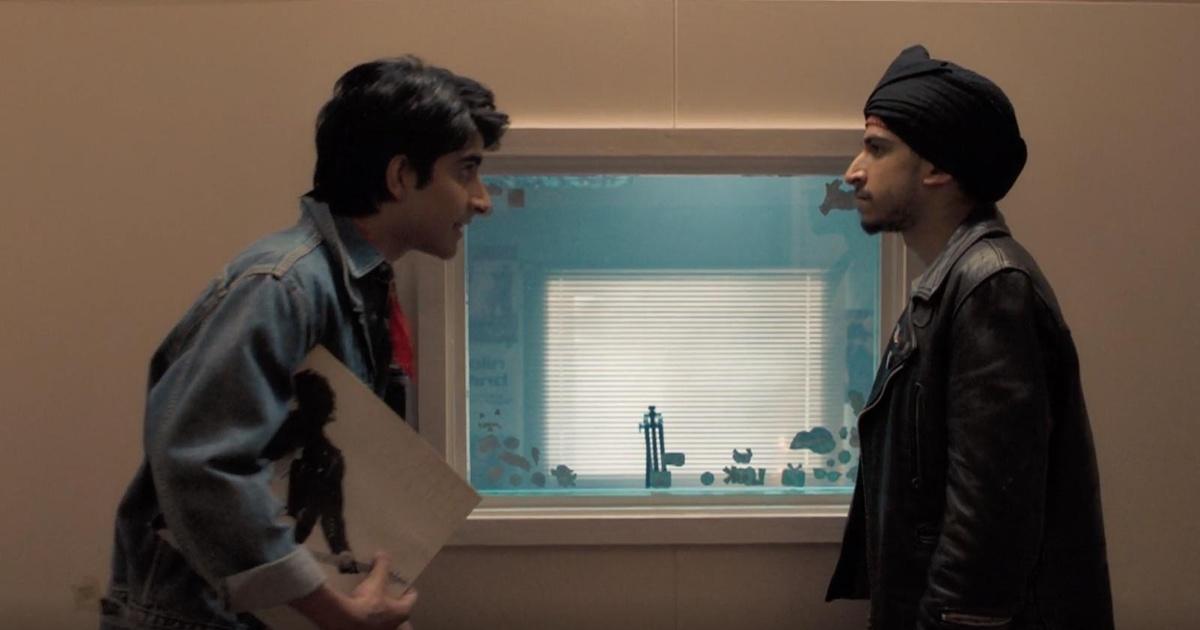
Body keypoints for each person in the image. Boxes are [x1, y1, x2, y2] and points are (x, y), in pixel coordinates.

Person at [101, 56, 508, 630]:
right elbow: (202, 464)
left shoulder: (358, 287)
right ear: (399, 176)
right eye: (465, 171)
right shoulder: (282, 286)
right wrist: (336, 612)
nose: (481, 199)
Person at [825, 45, 1113, 629]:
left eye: (877, 148)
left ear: (937, 168)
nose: (853, 170)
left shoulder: (989, 287)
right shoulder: (951, 286)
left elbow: (987, 529)